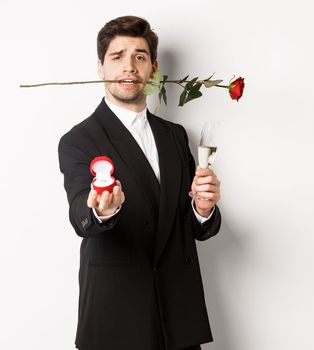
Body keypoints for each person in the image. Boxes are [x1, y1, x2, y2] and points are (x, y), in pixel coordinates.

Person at [58, 16, 222, 350]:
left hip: (178, 315)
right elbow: (81, 215)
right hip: (116, 317)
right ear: (101, 67)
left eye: (139, 56)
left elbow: (191, 225)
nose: (129, 66)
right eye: (117, 56)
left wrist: (202, 208)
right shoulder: (78, 139)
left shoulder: (175, 136)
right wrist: (101, 210)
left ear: (153, 69)